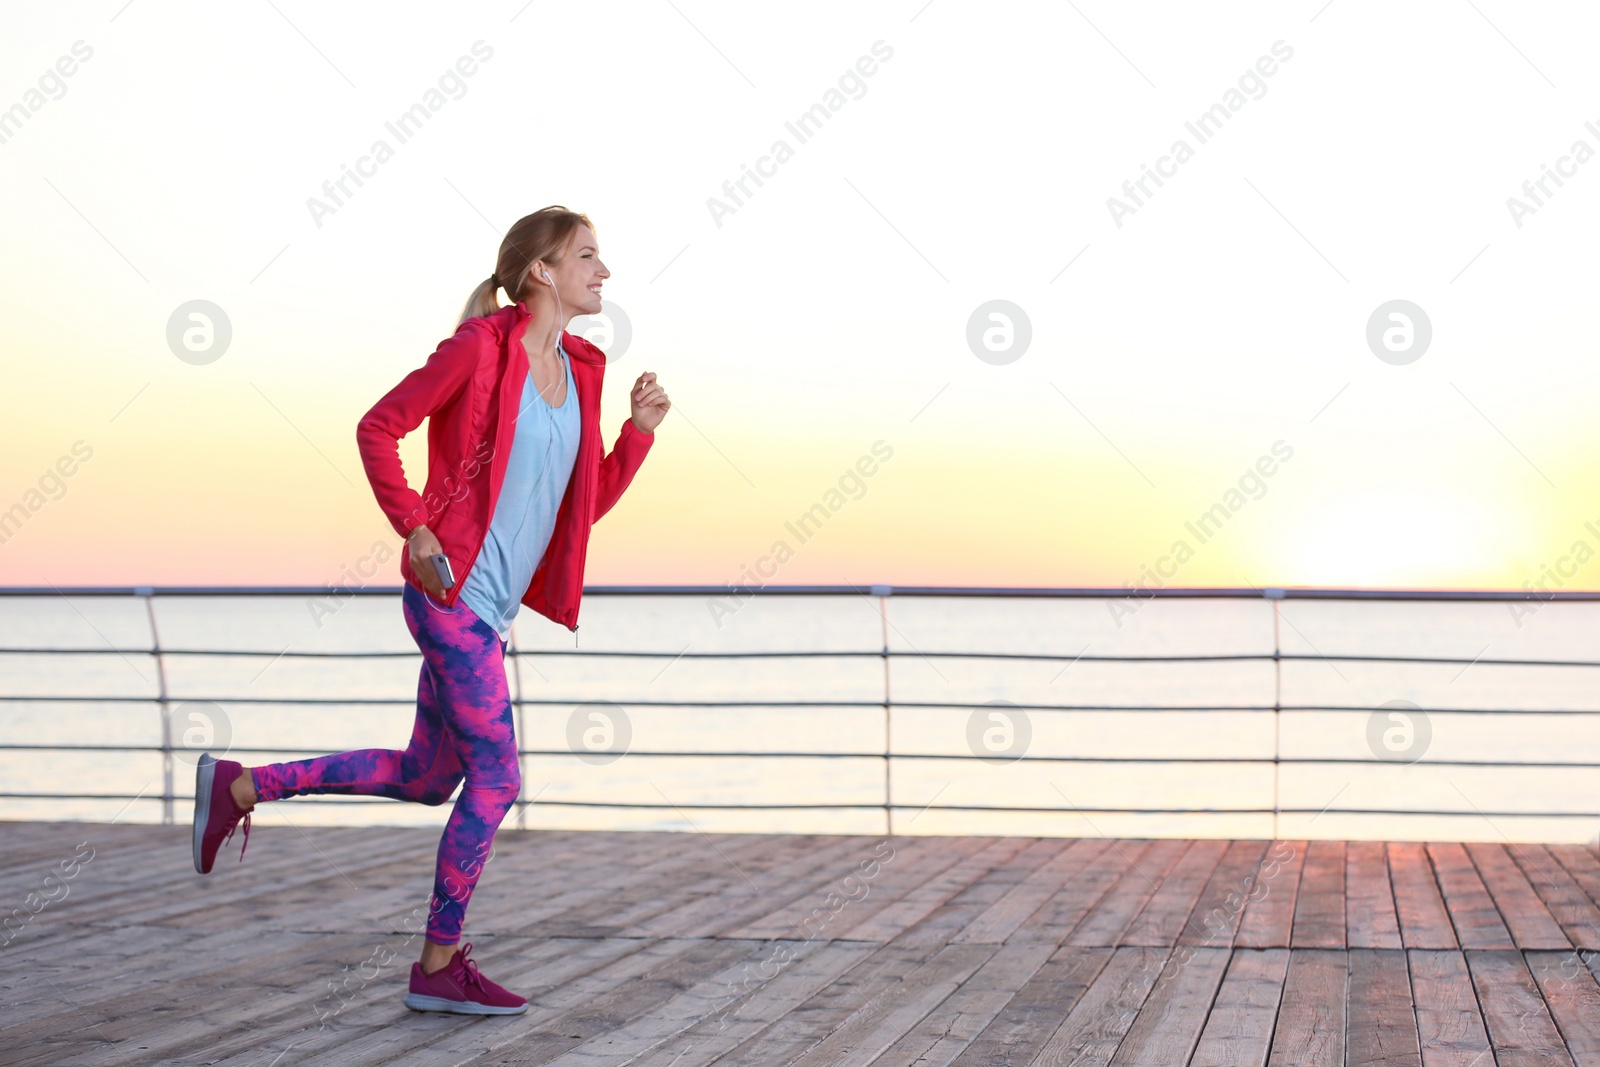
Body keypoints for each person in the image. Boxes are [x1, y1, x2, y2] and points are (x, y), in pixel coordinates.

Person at [189, 206, 670, 1015]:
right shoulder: (478, 351)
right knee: (498, 775)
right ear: (541, 272)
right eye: (587, 255)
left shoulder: (583, 369)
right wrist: (412, 525)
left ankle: (239, 788)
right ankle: (438, 961)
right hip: (451, 598)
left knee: (427, 776)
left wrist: (636, 434)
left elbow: (576, 509)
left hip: (489, 614)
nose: (604, 271)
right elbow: (378, 426)